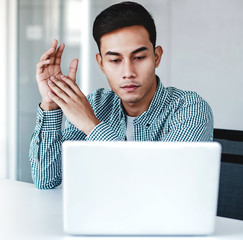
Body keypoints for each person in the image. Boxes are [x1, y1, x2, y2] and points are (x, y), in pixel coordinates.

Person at [29, 1, 213, 189]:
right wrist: (50, 104)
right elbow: (46, 179)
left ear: (156, 57)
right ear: (101, 64)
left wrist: (92, 126)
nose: (128, 72)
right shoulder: (96, 105)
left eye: (139, 57)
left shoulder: (191, 108)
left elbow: (158, 185)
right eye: (115, 60)